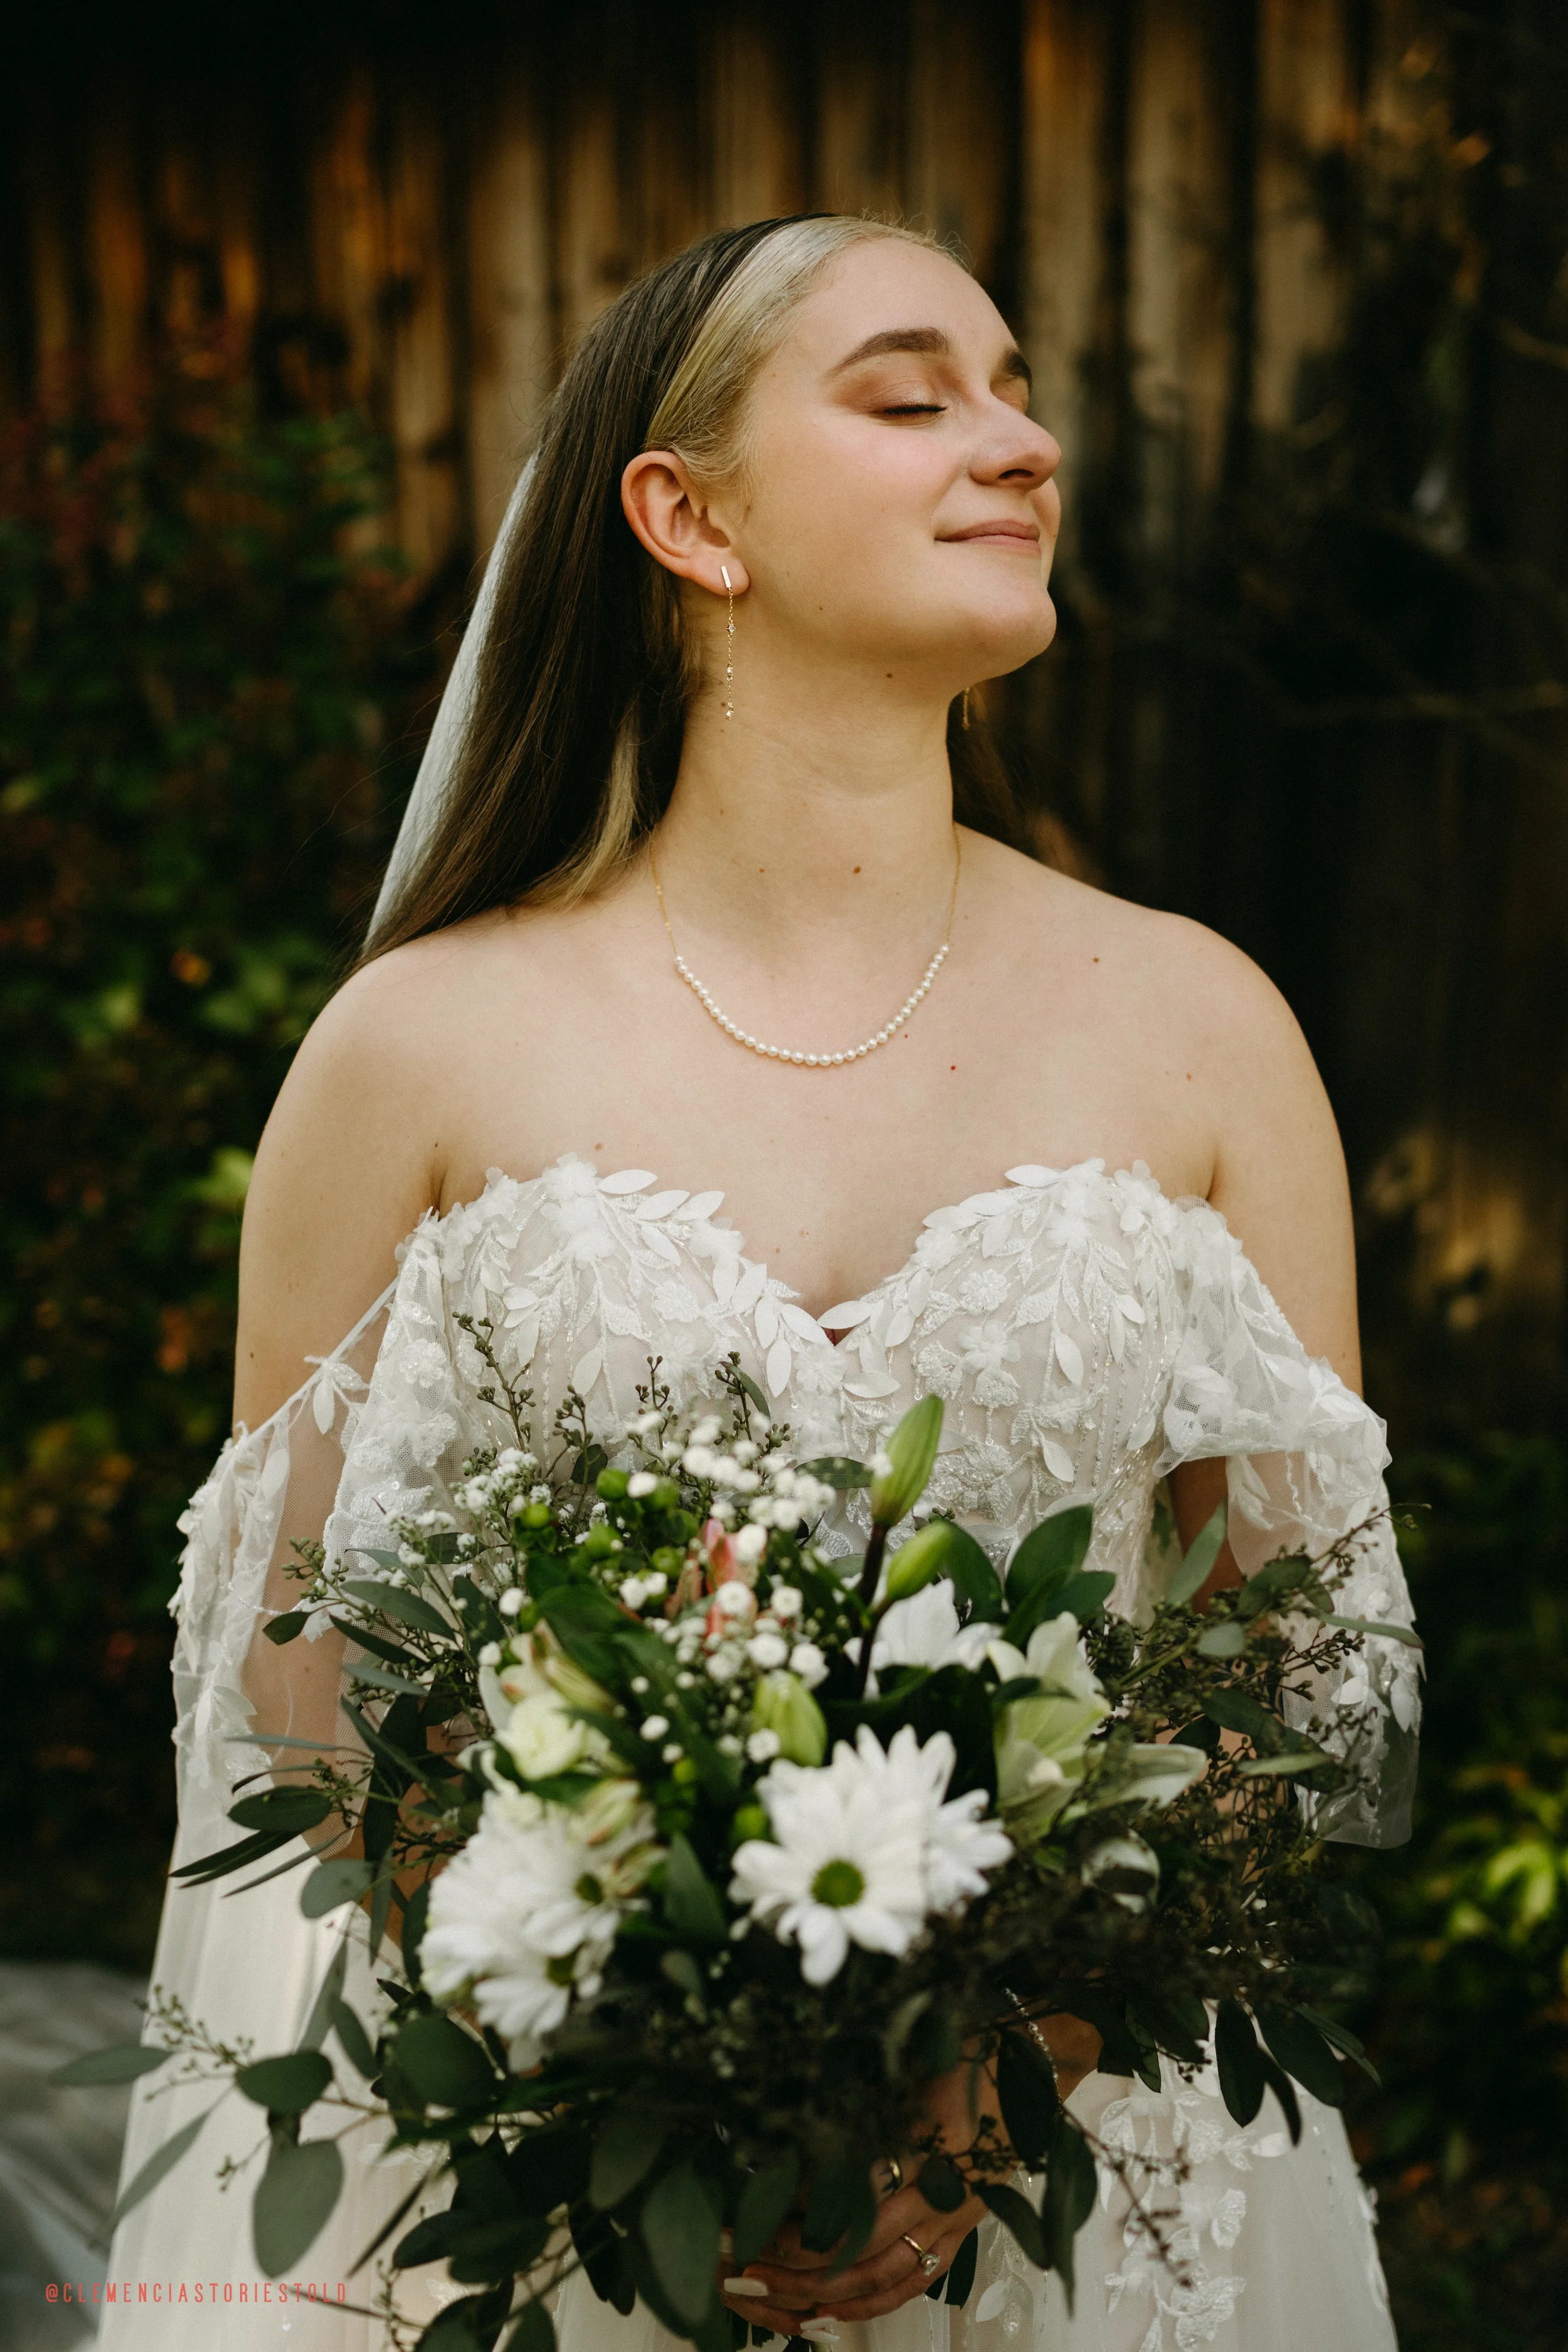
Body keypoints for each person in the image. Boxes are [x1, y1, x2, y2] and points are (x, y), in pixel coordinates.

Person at [105, 214, 1416, 2351]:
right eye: (912, 398)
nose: (1019, 442)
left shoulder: (1202, 1028)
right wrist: (635, 2052)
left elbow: (1291, 1685)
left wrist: (1016, 2059)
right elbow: (296, 1699)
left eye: (1016, 387)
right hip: (542, 2185)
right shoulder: (416, 1050)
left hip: (1091, 2198)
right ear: (683, 515)